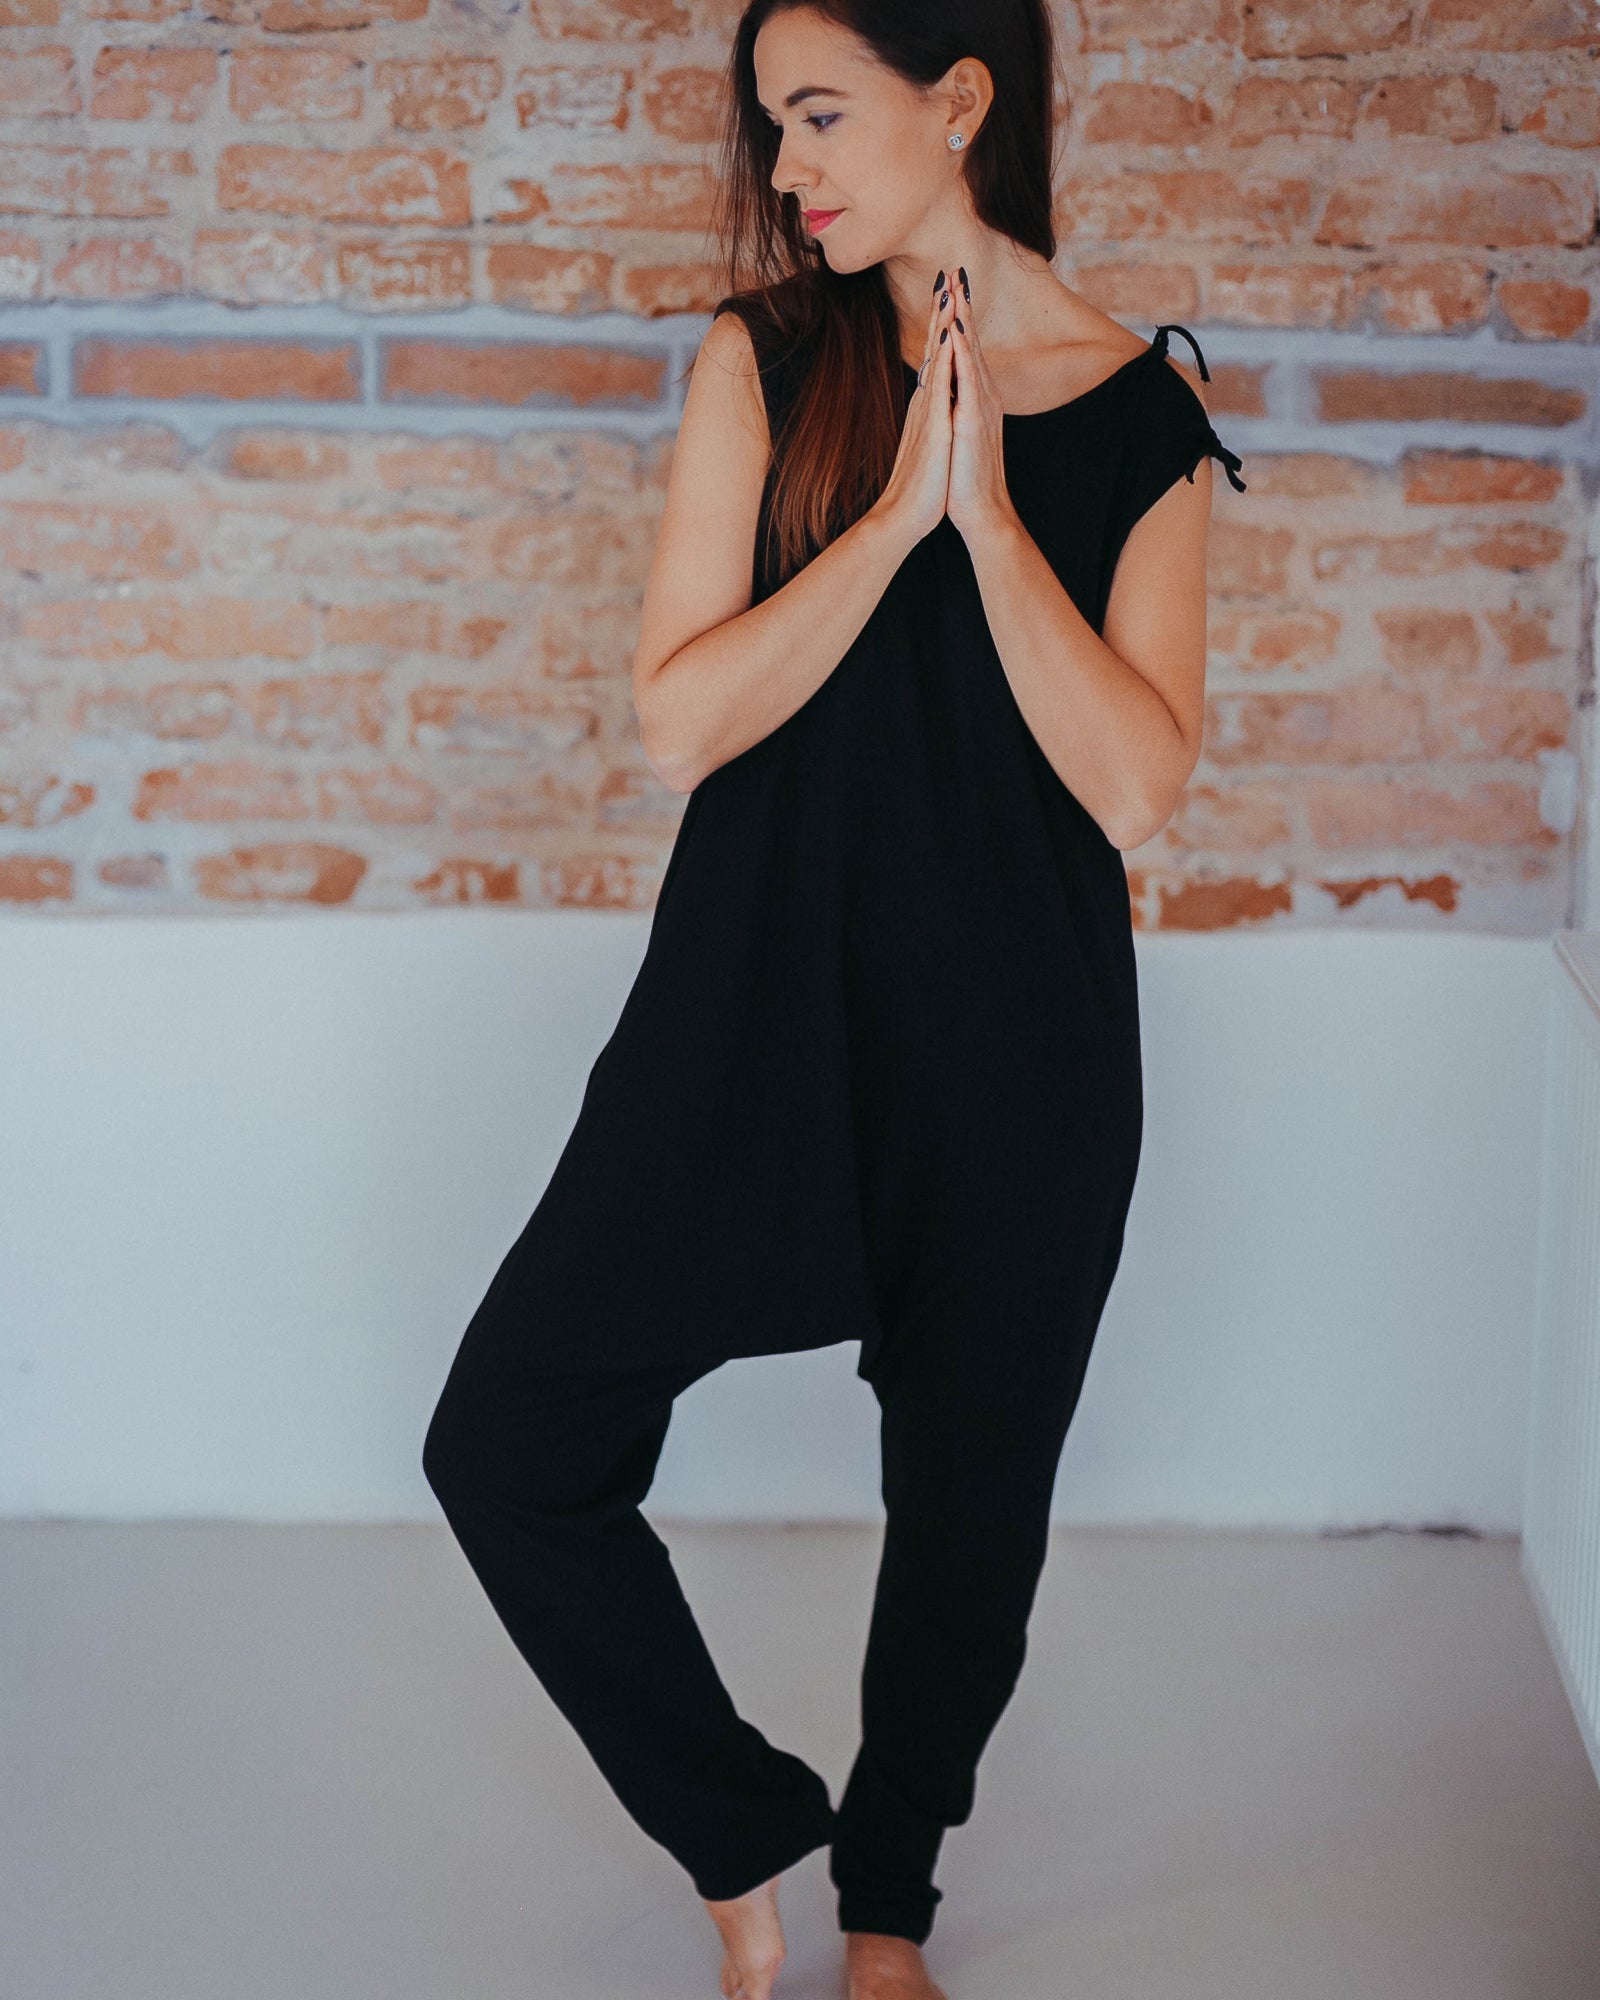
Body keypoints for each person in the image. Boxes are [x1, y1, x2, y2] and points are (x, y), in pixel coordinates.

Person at [421, 2, 1246, 1995]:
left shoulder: (1140, 420)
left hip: (1019, 1058)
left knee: (967, 1529)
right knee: (507, 1440)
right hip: (746, 1025)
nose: (785, 170)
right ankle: (736, 1835)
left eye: (818, 116)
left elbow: (1135, 785)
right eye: (770, 126)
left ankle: (887, 1915)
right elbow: (678, 721)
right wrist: (891, 522)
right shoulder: (767, 361)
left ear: (958, 101)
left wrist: (990, 519)